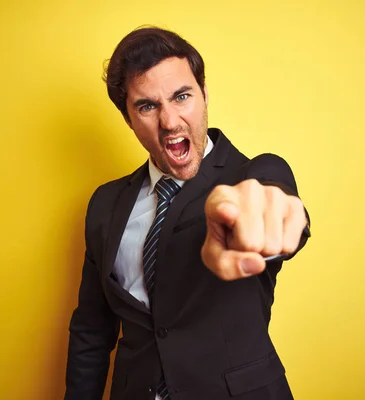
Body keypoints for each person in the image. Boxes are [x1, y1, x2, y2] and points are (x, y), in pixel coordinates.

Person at [65, 26, 310, 400]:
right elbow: (92, 331)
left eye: (182, 96)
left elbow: (269, 202)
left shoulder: (252, 175)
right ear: (129, 119)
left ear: (205, 94)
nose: (170, 121)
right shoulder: (105, 204)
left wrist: (257, 221)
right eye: (147, 106)